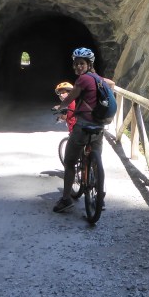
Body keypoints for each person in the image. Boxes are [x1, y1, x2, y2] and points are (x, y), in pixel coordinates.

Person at [52, 47, 115, 213]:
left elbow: (70, 98)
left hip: (83, 126)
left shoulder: (82, 80)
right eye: (76, 64)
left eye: (82, 63)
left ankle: (66, 199)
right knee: (97, 161)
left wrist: (61, 108)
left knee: (69, 162)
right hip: (99, 126)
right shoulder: (98, 78)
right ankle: (100, 198)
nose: (78, 66)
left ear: (88, 64)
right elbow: (112, 84)